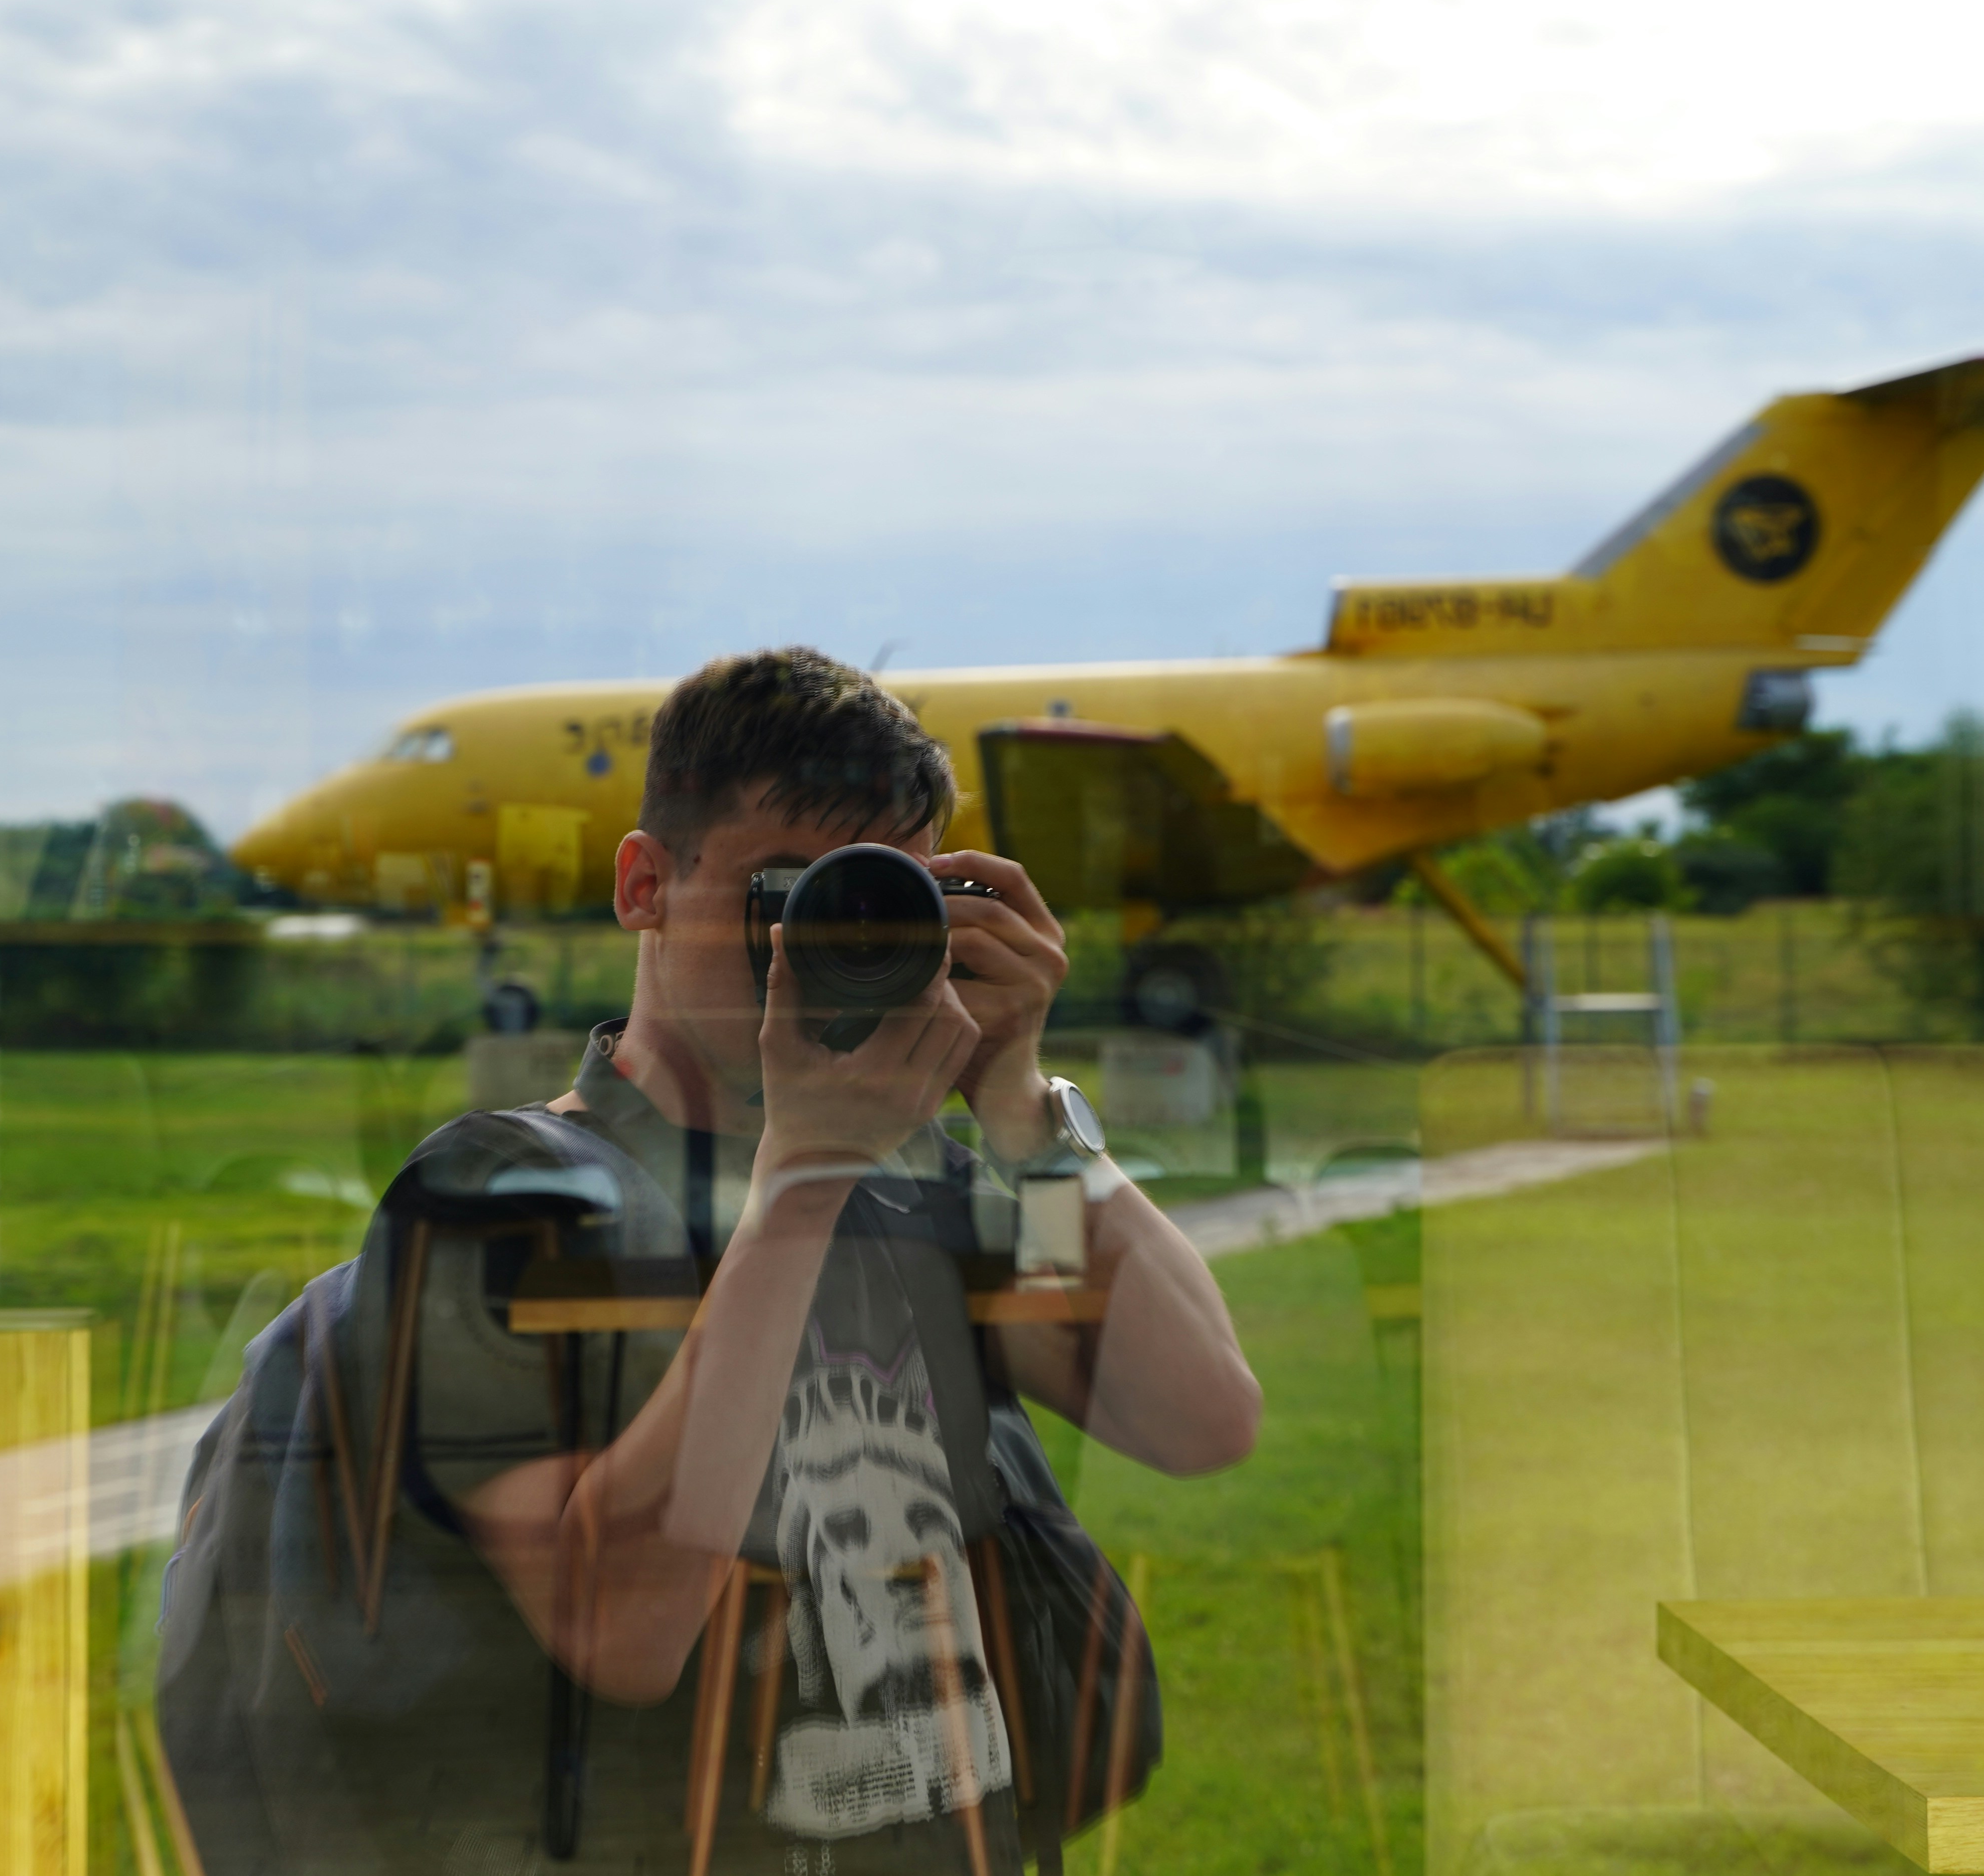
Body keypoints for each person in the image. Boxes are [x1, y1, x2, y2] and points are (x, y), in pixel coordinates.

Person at [161, 646, 1260, 1874]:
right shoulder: (501, 1203)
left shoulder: (917, 1180)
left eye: (884, 899)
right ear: (645, 884)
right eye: (784, 892)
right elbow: (621, 1625)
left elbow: (1198, 1413)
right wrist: (799, 1186)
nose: (822, 943)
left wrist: (1025, 1113)